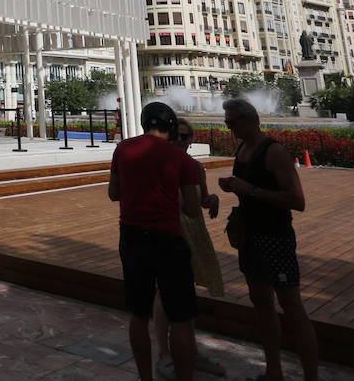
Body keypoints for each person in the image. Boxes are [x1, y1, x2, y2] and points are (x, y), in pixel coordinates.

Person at [217, 98, 319, 381]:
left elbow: (297, 201)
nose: (229, 127)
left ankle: (311, 376)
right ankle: (273, 370)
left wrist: (250, 190)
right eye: (226, 123)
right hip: (249, 236)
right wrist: (233, 187)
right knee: (261, 302)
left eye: (231, 122)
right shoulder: (242, 149)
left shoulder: (274, 152)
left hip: (275, 237)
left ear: (250, 120)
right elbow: (249, 188)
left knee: (292, 306)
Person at [107, 102, 202, 381]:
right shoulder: (182, 159)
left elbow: (114, 193)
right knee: (181, 318)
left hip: (133, 237)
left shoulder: (123, 149)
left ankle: (145, 376)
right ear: (171, 127)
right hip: (168, 239)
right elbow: (193, 210)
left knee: (138, 314)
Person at [152, 117, 227, 381]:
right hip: (170, 231)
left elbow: (201, 199)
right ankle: (164, 354)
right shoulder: (159, 166)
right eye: (178, 136)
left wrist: (212, 199)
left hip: (194, 231)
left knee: (187, 292)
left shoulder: (196, 167)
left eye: (187, 137)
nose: (183, 141)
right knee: (164, 294)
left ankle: (191, 351)